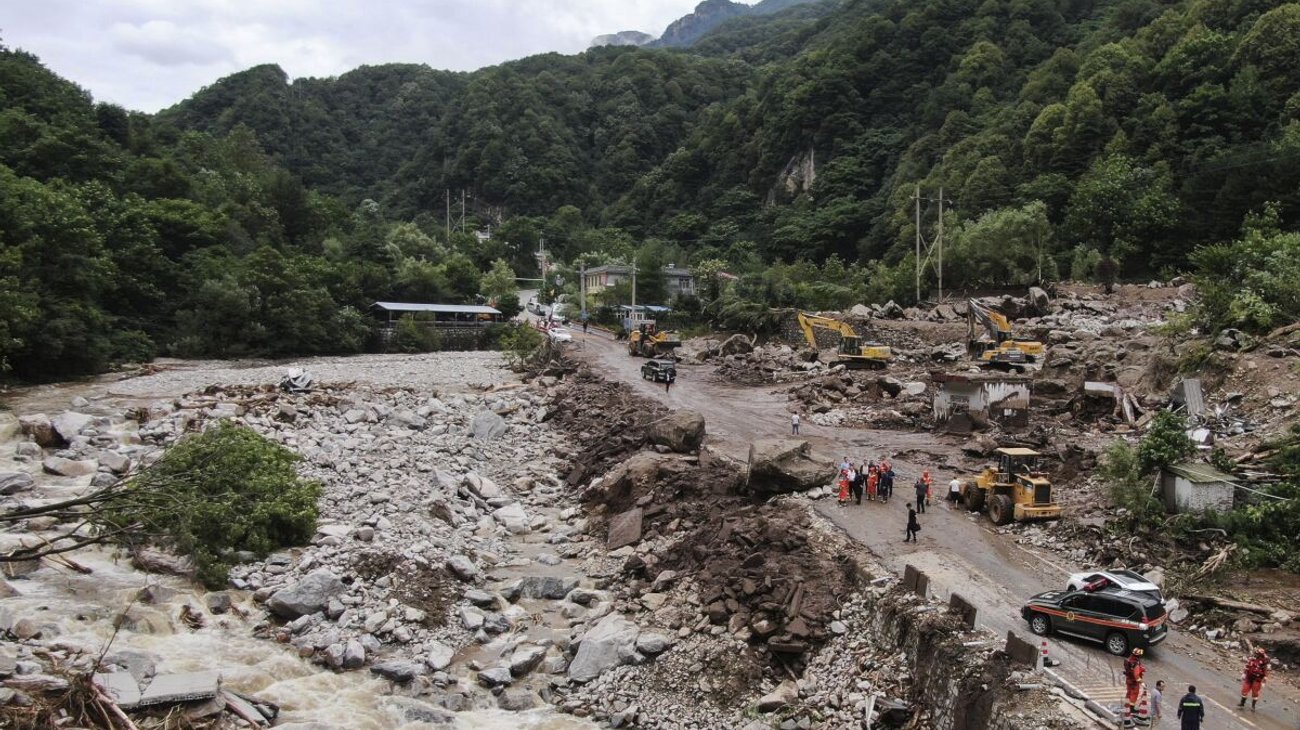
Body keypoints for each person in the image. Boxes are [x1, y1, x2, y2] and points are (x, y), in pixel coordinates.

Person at [1124, 648, 1146, 720]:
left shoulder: (1129, 660)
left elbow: (1129, 669)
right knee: (1134, 694)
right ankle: (1131, 708)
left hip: (1128, 680)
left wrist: (1141, 668)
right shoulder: (1135, 664)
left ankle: (1126, 706)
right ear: (1138, 656)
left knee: (1128, 693)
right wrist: (1142, 683)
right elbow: (1136, 675)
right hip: (1134, 682)